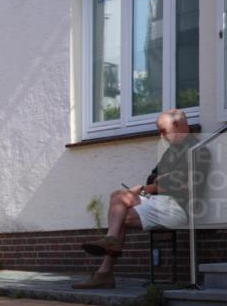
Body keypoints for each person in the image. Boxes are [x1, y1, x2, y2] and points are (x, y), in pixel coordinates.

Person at [73, 109, 205, 289]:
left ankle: (105, 271)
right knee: (118, 197)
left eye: (163, 130)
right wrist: (162, 182)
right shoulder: (171, 153)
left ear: (178, 126)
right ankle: (108, 252)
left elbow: (185, 186)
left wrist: (159, 183)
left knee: (121, 214)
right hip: (161, 202)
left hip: (181, 208)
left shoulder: (198, 151)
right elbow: (153, 180)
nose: (161, 136)